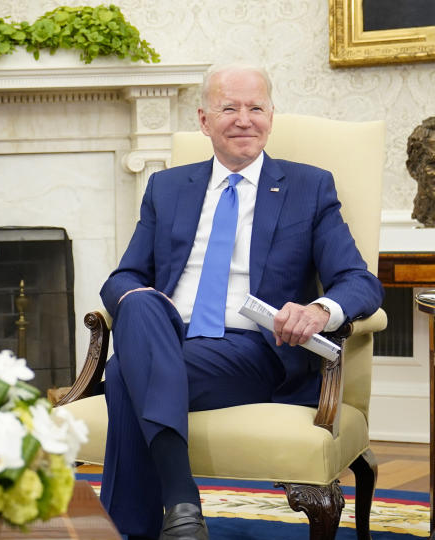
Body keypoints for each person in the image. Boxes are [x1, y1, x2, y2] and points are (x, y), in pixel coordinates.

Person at [98, 64, 383, 540]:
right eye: (229, 108)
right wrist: (136, 297)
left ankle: (167, 511)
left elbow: (358, 281)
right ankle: (181, 509)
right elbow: (123, 276)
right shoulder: (167, 188)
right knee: (141, 305)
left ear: (272, 116)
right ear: (204, 119)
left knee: (125, 373)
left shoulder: (309, 188)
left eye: (256, 108)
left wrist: (319, 311)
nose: (243, 120)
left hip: (254, 348)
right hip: (171, 335)